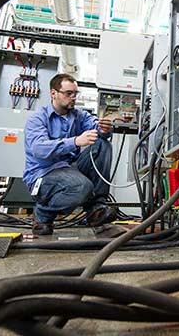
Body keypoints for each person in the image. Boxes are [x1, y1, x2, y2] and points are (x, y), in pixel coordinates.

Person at [23, 73, 119, 236]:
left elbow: (95, 127)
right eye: (69, 94)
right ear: (54, 93)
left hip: (70, 169)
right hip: (44, 174)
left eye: (75, 94)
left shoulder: (79, 115)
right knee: (81, 187)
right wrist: (75, 141)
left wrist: (103, 129)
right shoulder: (38, 119)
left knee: (102, 144)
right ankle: (42, 214)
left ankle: (96, 208)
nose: (73, 98)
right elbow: (39, 149)